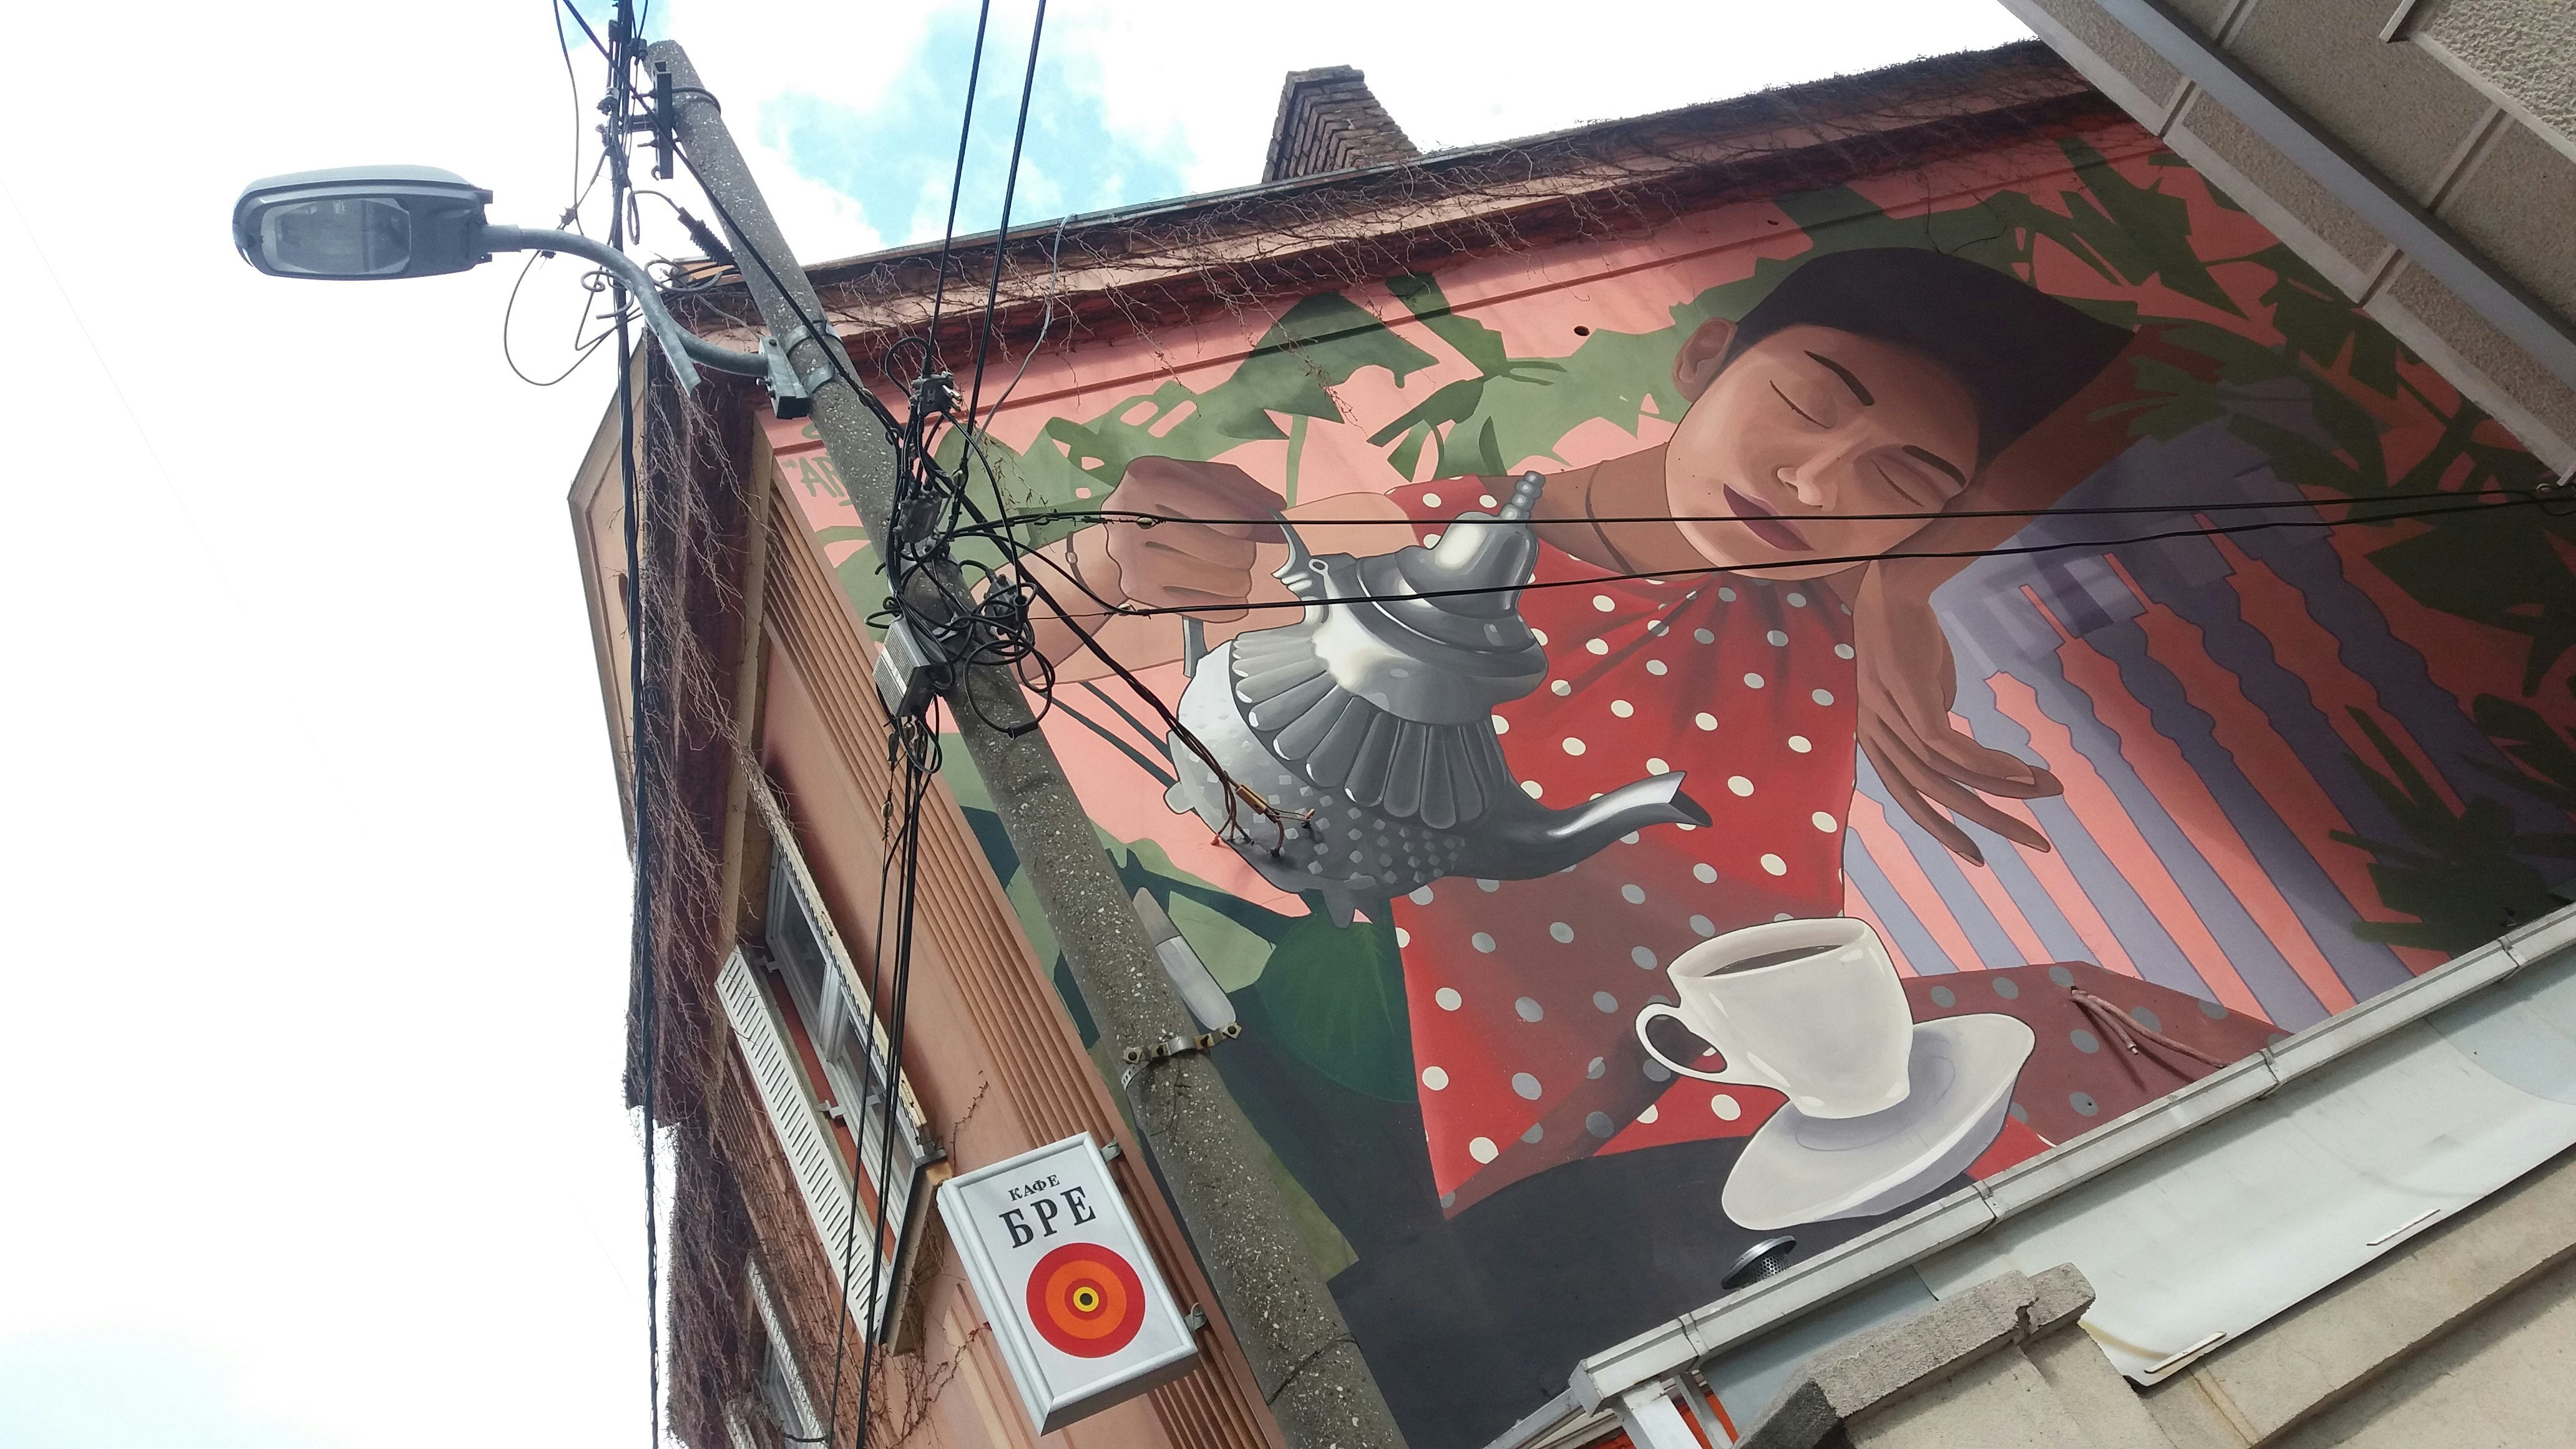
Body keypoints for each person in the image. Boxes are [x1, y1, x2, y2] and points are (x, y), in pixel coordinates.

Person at [1027, 247, 2202, 1209]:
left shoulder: (1826, 604)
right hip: (1547, 1157)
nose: (1814, 485)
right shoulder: (1418, 545)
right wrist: (1106, 561)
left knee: (2128, 1041)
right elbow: (1010, 654)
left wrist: (1904, 578)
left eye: (1903, 482)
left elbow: (2162, 371)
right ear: (1703, 358)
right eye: (1805, 405)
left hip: (1796, 1102)